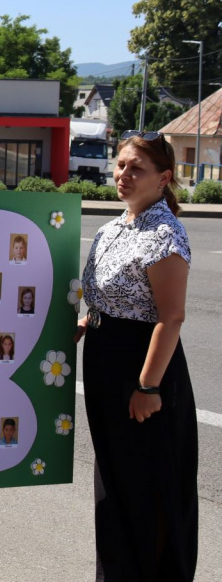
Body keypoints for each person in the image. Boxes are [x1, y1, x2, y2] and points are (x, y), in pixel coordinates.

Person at [76, 130, 197, 580]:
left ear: (163, 178)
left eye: (137, 168)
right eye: (121, 164)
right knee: (113, 483)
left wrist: (148, 387)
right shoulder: (114, 227)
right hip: (106, 364)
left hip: (142, 371)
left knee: (148, 487)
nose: (124, 174)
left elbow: (171, 317)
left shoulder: (164, 233)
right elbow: (111, 300)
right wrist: (87, 322)